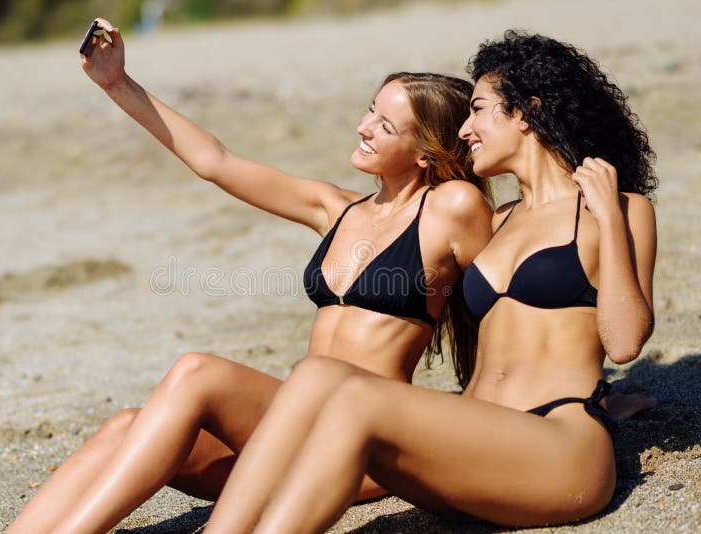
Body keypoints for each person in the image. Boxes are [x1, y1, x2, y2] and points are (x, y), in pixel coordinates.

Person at [5, 18, 494, 533]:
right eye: (371, 110)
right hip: (291, 432)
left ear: (426, 152)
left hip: (362, 441)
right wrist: (117, 84)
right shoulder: (336, 208)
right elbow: (215, 161)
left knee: (198, 372)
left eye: (385, 126)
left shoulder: (452, 208)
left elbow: (506, 292)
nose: (363, 127)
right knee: (126, 425)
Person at [205, 30, 658, 533]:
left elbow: (623, 342)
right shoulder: (497, 219)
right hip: (476, 439)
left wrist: (610, 220)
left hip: (558, 447)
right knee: (316, 374)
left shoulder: (620, 209)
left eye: (479, 109)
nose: (465, 130)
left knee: (358, 399)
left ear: (527, 112)